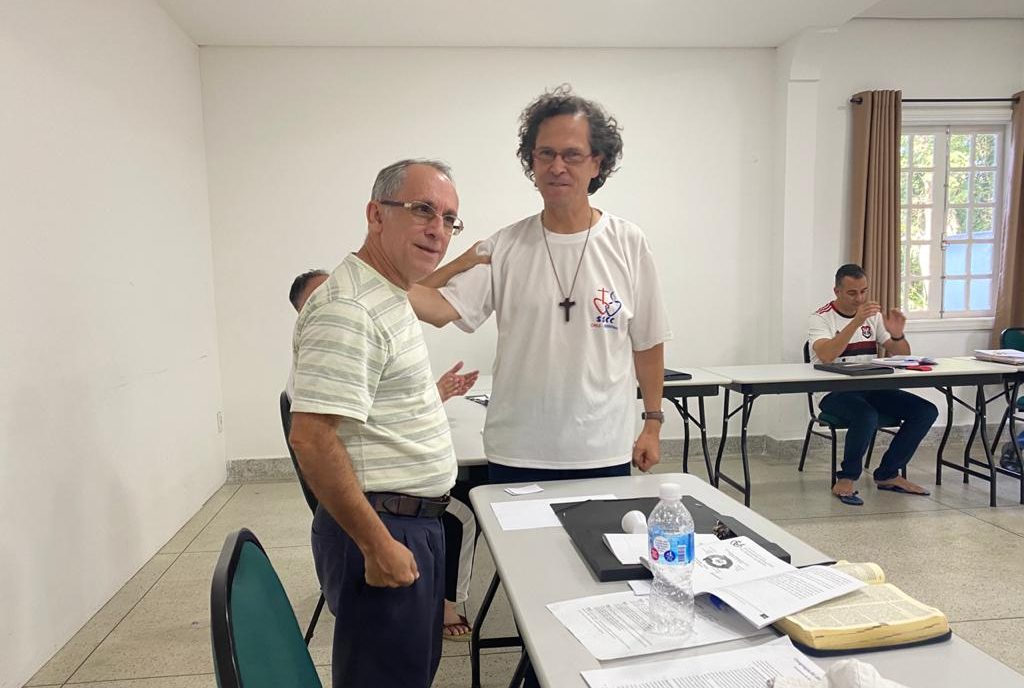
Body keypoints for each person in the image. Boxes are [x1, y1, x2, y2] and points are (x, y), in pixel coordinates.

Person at [410, 85, 672, 487]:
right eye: (545, 154)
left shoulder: (628, 242)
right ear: (531, 163)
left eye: (572, 155)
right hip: (518, 449)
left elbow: (648, 343)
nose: (557, 166)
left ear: (596, 163)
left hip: (601, 448)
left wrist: (652, 423)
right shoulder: (505, 245)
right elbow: (431, 307)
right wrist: (459, 261)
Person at [288, 159, 465, 687]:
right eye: (422, 210)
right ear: (376, 215)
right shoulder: (351, 308)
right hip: (382, 525)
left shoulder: (389, 293)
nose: (438, 229)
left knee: (407, 674)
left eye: (450, 218)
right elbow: (312, 437)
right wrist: (376, 545)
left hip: (410, 521)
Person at [286, 267, 481, 640]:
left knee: (407, 660)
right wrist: (377, 544)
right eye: (325, 300)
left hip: (399, 514)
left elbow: (378, 414)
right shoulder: (328, 355)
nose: (345, 306)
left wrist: (435, 393)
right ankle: (449, 603)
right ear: (306, 314)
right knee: (385, 660)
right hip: (382, 516)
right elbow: (312, 440)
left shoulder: (351, 344)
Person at [808, 263, 938, 506]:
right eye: (852, 293)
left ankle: (888, 474)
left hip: (871, 386)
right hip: (833, 391)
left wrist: (897, 335)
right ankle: (846, 477)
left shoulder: (874, 317)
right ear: (837, 291)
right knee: (866, 415)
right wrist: (856, 322)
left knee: (926, 411)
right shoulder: (820, 317)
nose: (860, 299)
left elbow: (902, 355)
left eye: (864, 291)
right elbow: (827, 355)